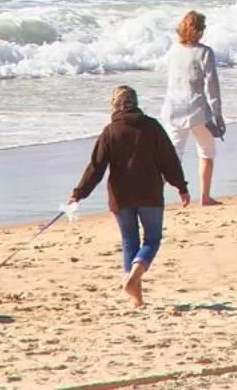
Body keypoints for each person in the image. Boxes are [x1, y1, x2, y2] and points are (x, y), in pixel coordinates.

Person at [69, 85, 190, 308]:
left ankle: (136, 297)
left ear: (114, 105)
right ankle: (134, 278)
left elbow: (96, 167)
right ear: (136, 102)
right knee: (152, 239)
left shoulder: (110, 131)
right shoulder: (152, 127)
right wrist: (181, 186)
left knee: (129, 242)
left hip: (121, 196)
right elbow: (169, 159)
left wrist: (79, 193)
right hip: (150, 193)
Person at [160, 10, 225, 207]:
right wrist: (217, 114)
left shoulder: (173, 50)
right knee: (206, 151)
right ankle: (205, 196)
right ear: (197, 31)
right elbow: (212, 86)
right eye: (203, 28)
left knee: (173, 155)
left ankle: (155, 196)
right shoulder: (204, 52)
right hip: (197, 109)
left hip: (173, 107)